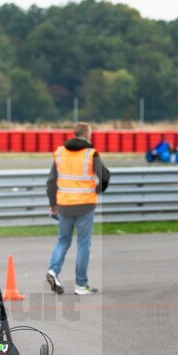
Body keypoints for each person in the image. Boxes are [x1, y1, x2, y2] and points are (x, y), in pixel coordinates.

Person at [46, 122, 110, 295]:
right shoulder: (91, 153)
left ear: (73, 133)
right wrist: (97, 190)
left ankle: (53, 270)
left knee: (63, 241)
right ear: (87, 134)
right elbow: (105, 175)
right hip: (85, 204)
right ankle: (81, 284)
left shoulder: (60, 152)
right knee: (83, 244)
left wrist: (53, 204)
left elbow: (51, 181)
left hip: (64, 204)